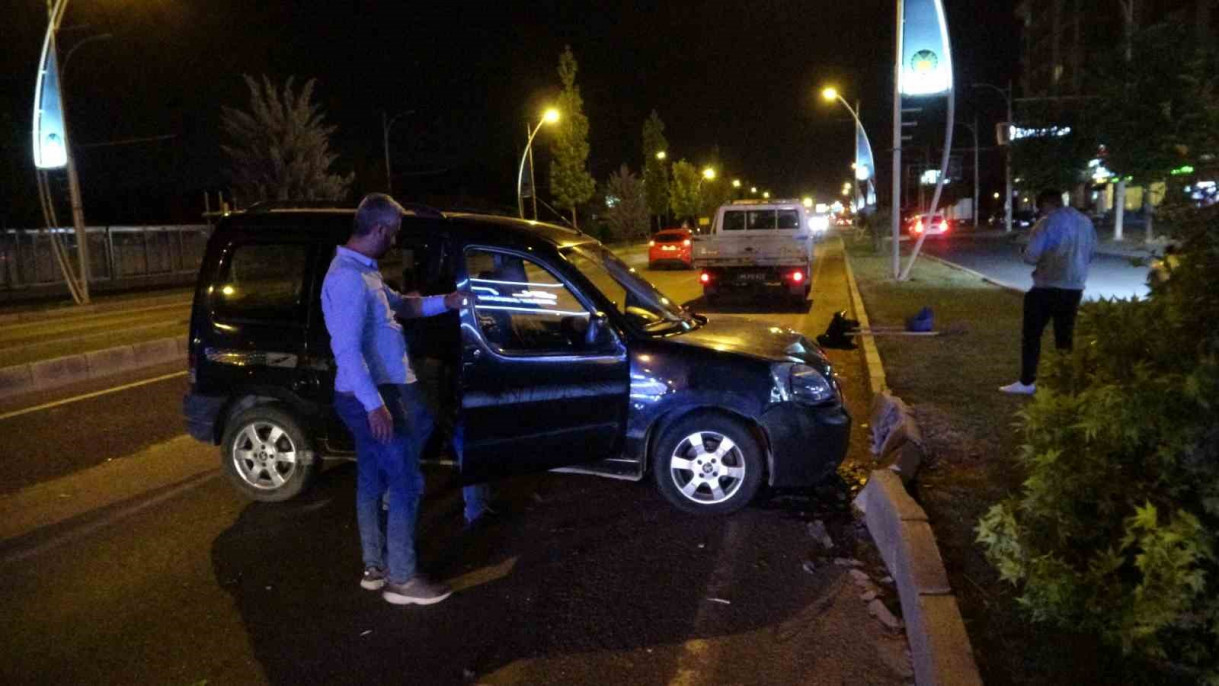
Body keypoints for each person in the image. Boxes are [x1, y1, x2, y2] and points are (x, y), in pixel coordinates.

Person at [322, 193, 463, 606]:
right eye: (395, 233)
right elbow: (346, 350)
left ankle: (376, 566)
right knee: (404, 480)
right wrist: (374, 406)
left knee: (372, 476)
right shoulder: (347, 279)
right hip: (372, 396)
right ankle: (402, 580)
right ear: (380, 229)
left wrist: (449, 302)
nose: (397, 241)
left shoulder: (364, 272)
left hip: (370, 394)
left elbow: (404, 306)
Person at [1000, 189, 1097, 395]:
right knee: (1064, 337)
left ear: (1044, 205)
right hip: (1074, 288)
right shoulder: (1085, 222)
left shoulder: (1046, 223)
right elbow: (1091, 253)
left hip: (1046, 286)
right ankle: (1065, 382)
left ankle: (1027, 381)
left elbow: (1032, 256)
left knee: (1032, 336)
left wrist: (1023, 252)